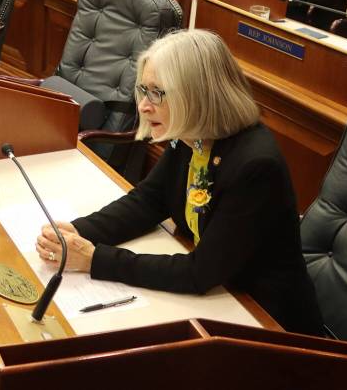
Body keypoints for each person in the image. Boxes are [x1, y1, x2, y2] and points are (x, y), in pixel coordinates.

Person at [35, 29, 324, 336]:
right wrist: (76, 233)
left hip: (267, 323)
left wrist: (95, 259)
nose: (144, 106)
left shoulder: (255, 166)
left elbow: (199, 273)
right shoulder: (193, 136)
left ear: (196, 94)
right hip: (219, 301)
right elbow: (148, 201)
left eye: (157, 93)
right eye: (143, 90)